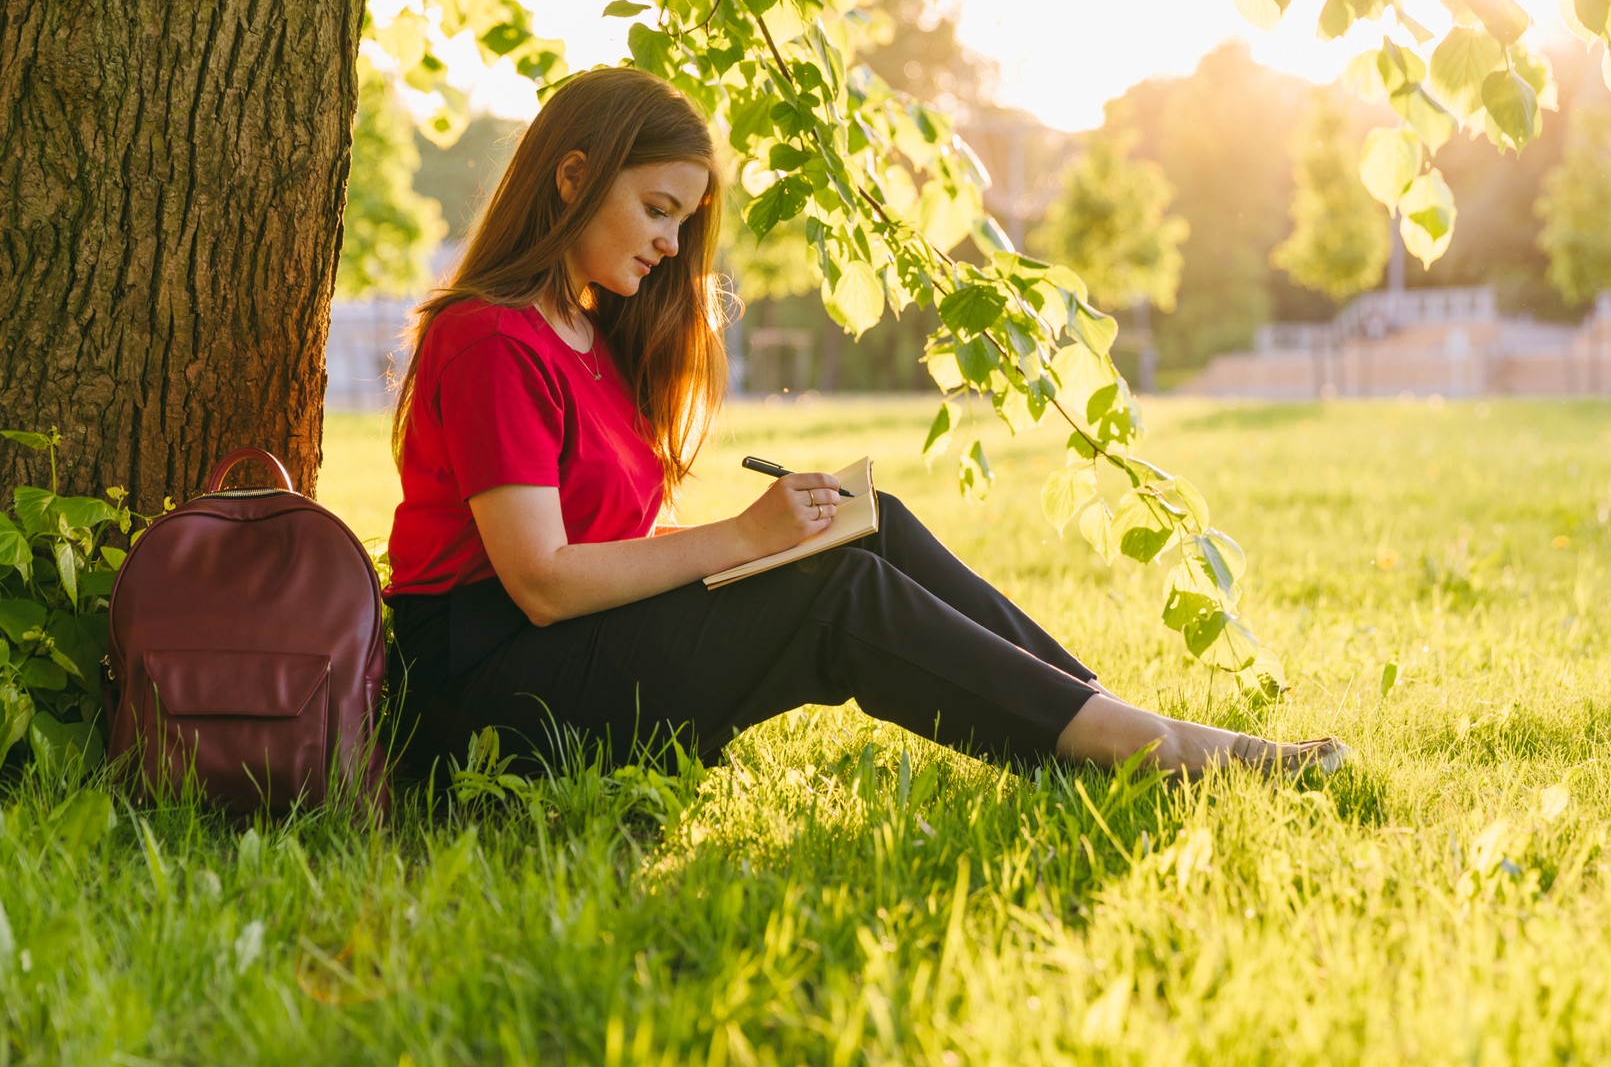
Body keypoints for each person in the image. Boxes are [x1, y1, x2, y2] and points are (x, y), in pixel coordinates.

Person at [381, 66, 1349, 787]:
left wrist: (776, 531)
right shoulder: (491, 339)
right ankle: (1143, 746)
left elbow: (599, 553)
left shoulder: (588, 333)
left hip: (553, 649)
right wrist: (746, 539)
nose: (673, 244)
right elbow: (543, 580)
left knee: (859, 513)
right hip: (479, 698)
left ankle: (1092, 717)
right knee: (830, 588)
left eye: (683, 220)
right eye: (656, 209)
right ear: (572, 176)